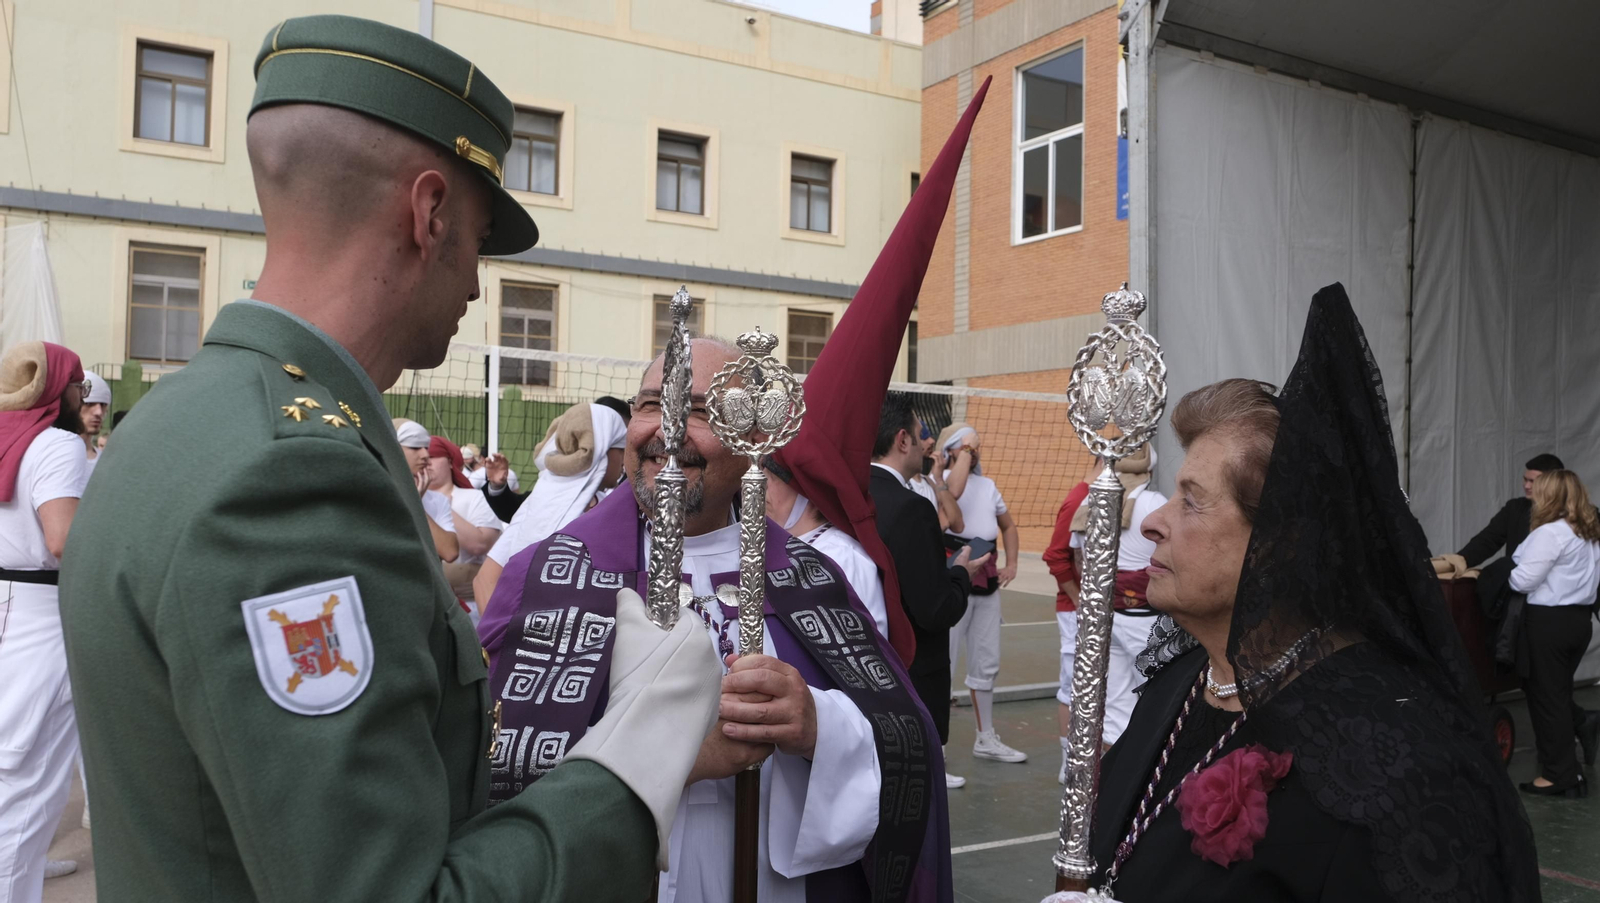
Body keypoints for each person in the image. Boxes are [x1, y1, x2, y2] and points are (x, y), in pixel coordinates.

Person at [59, 15, 720, 902]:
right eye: (479, 242)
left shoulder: (173, 421)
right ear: (429, 211)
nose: (478, 284)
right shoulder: (291, 477)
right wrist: (636, 754)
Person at [1088, 284, 1537, 902]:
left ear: (1281, 544)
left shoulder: (1395, 761)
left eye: (1191, 501)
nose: (1153, 522)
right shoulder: (1176, 679)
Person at [478, 338, 951, 903]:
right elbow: (504, 762)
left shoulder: (812, 579)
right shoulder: (547, 577)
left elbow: (906, 737)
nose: (667, 429)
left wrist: (817, 723)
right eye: (651, 405)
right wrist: (674, 757)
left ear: (755, 437)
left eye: (699, 410)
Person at [0, 341, 88, 901]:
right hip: (41, 618)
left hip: (6, 603)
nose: (85, 395)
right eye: (81, 384)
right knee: (26, 789)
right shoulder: (55, 443)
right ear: (62, 389)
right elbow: (64, 540)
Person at [870, 394, 986, 791]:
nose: (925, 445)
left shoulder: (851, 492)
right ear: (902, 440)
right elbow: (935, 609)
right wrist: (959, 575)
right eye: (921, 435)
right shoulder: (909, 507)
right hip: (909, 678)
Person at [472, 401, 628, 605]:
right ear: (602, 450)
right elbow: (484, 581)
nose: (625, 459)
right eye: (621, 449)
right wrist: (500, 633)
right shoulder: (540, 504)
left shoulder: (612, 507)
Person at [1509, 469, 1600, 797]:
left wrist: (1507, 574)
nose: (1532, 494)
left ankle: (1559, 777)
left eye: (1539, 489)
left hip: (1549, 625)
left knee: (1547, 701)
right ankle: (1568, 773)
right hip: (1578, 623)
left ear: (1551, 496)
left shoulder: (1550, 534)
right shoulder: (1588, 530)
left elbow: (1523, 581)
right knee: (1557, 698)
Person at [938, 422, 1025, 763]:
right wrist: (960, 455)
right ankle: (938, 748)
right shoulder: (939, 483)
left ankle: (985, 737)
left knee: (986, 661)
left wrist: (1013, 562)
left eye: (975, 448)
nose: (973, 453)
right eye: (967, 448)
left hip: (986, 583)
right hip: (951, 577)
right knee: (943, 663)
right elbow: (954, 492)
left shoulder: (988, 486)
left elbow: (1008, 525)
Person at [426, 435, 504, 613]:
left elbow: (480, 544)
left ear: (449, 461)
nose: (426, 460)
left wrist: (440, 505)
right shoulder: (407, 498)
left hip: (468, 606)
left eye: (432, 456)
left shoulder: (473, 497)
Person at [1459, 453, 1565, 568]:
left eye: (1533, 481)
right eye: (1525, 480)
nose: (1527, 486)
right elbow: (1487, 540)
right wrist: (1458, 562)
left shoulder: (1569, 512)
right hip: (1517, 582)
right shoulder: (1515, 508)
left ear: (1552, 483)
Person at [395, 418, 460, 564]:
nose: (425, 456)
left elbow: (450, 552)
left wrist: (415, 503)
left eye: (426, 447)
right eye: (415, 447)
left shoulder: (437, 500)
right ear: (393, 449)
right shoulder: (378, 493)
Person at [908, 420, 964, 534]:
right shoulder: (900, 482)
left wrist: (939, 480)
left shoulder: (929, 482)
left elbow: (958, 526)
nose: (932, 441)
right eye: (923, 437)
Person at [79, 372, 111, 476]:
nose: (99, 412)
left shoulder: (106, 462)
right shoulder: (55, 455)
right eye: (89, 404)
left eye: (103, 405)